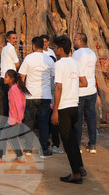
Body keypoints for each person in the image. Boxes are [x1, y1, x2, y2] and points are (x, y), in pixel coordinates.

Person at [52, 35, 86, 184]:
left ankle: (76, 174)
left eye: (55, 47)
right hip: (74, 106)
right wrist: (72, 85)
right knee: (72, 139)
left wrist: (55, 111)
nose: (54, 50)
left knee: (67, 142)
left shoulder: (59, 64)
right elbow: (84, 82)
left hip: (64, 107)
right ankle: (80, 166)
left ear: (60, 49)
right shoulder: (75, 62)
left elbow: (58, 87)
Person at [20, 36, 56, 155]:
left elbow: (22, 77)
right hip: (45, 96)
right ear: (43, 45)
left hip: (30, 96)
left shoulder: (28, 58)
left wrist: (24, 91)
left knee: (29, 122)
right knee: (43, 123)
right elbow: (54, 77)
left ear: (34, 46)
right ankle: (44, 149)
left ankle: (28, 148)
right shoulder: (49, 60)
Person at [72, 33, 98, 153]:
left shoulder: (77, 54)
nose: (73, 41)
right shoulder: (92, 53)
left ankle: (77, 144)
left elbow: (73, 70)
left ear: (81, 40)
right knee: (91, 118)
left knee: (78, 119)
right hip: (91, 90)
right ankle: (92, 144)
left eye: (75, 39)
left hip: (80, 91)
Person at [0, 69, 26, 163]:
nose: (4, 78)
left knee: (3, 135)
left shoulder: (14, 89)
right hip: (14, 118)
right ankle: (20, 157)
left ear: (11, 79)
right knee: (13, 138)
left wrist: (19, 118)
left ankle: (2, 157)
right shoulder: (13, 88)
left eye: (6, 77)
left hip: (14, 119)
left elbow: (19, 104)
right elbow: (23, 101)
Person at [0, 31, 20, 117]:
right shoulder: (11, 48)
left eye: (16, 38)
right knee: (11, 103)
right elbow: (17, 63)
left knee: (5, 103)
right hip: (9, 79)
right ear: (8, 39)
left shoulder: (4, 48)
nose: (15, 40)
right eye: (13, 38)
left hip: (3, 77)